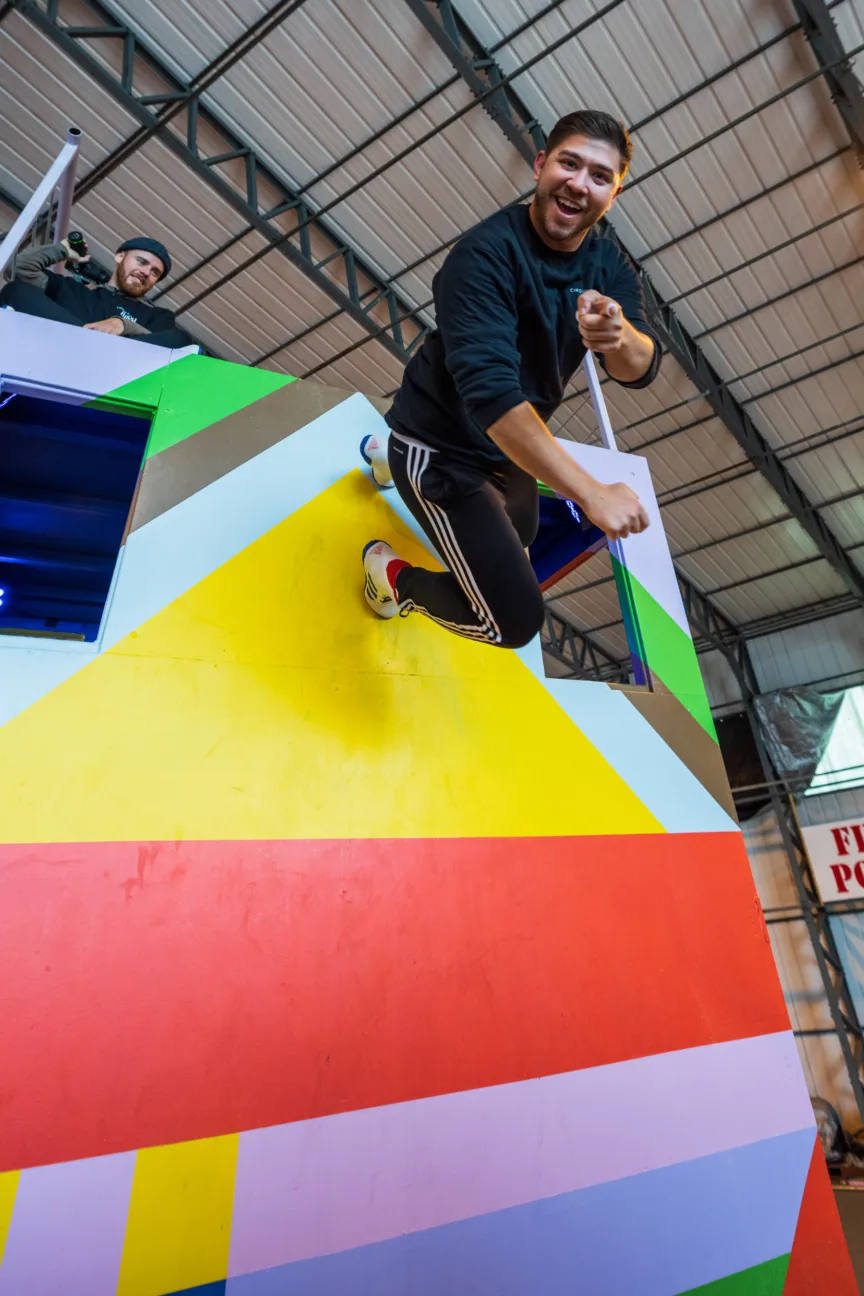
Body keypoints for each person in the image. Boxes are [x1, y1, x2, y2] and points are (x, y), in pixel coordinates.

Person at [360, 109, 661, 649]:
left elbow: (640, 369)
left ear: (612, 195)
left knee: (521, 534)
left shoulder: (606, 263)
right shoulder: (483, 256)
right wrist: (592, 494)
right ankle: (391, 574)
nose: (579, 183)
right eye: (569, 163)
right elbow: (495, 401)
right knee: (510, 623)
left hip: (508, 447)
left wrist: (619, 337)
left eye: (599, 176)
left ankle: (384, 455)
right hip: (444, 441)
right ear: (541, 166)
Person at [0, 235, 191, 348]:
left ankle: (87, 348)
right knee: (16, 289)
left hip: (113, 368)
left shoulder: (156, 315)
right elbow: (18, 269)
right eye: (141, 262)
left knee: (182, 338)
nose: (146, 272)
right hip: (59, 348)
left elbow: (172, 343)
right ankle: (80, 342)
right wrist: (63, 251)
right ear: (120, 256)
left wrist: (123, 325)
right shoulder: (69, 288)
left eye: (155, 272)